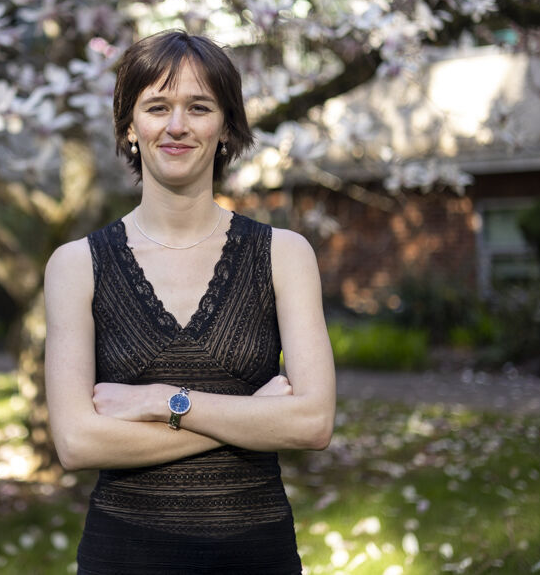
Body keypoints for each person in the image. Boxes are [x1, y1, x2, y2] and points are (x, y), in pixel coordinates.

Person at [44, 30, 336, 574]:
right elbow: (77, 443)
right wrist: (256, 416)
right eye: (157, 106)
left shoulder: (283, 256)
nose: (177, 126)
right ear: (131, 126)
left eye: (198, 107)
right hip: (122, 557)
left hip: (258, 557)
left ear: (224, 126)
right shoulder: (76, 264)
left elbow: (313, 423)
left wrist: (160, 400)